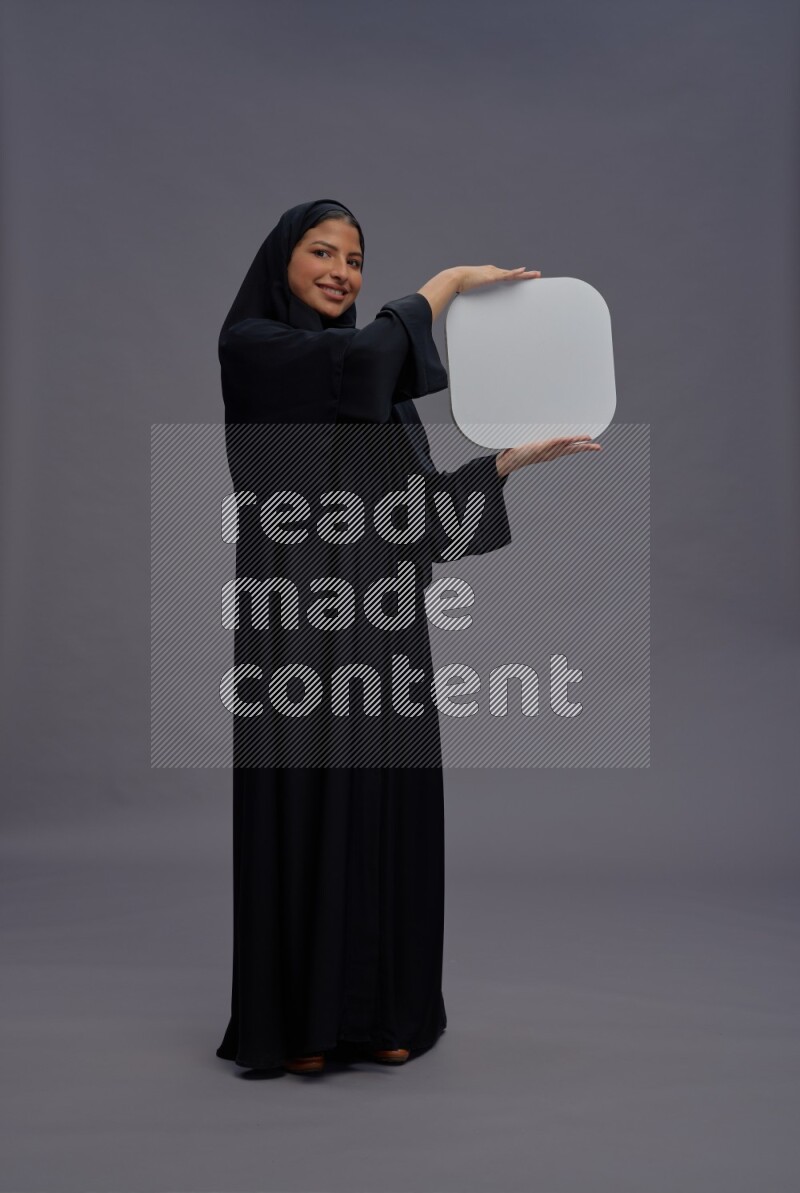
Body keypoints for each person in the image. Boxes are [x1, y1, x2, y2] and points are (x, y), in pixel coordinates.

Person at [215, 198, 600, 1075]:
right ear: (282, 263)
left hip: (384, 626)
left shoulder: (381, 396)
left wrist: (507, 466)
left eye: (353, 259)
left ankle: (376, 1010)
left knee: (384, 808)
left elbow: (426, 527)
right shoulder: (255, 348)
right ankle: (302, 1026)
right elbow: (368, 352)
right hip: (298, 625)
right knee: (309, 799)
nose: (342, 272)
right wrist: (450, 285)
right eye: (323, 251)